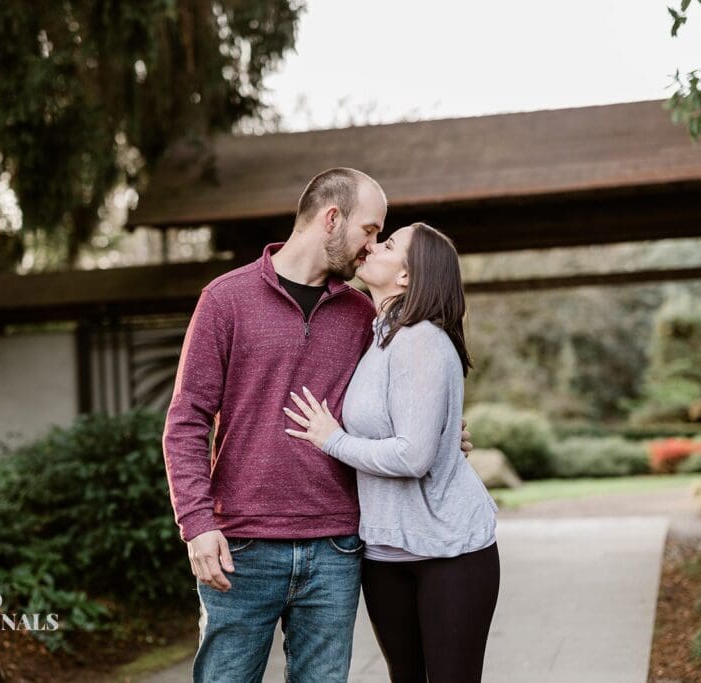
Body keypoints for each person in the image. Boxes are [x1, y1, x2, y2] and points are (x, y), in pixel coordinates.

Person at [162, 169, 471, 683]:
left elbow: (397, 399)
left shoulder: (361, 314)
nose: (371, 248)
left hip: (338, 547)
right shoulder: (225, 299)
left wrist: (436, 431)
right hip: (243, 546)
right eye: (370, 231)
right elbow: (187, 419)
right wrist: (196, 524)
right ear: (332, 218)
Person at [285, 222, 500, 682]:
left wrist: (333, 440)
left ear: (406, 276)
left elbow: (413, 456)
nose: (371, 246)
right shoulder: (380, 337)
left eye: (386, 243)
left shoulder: (421, 337)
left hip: (449, 552)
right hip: (385, 552)